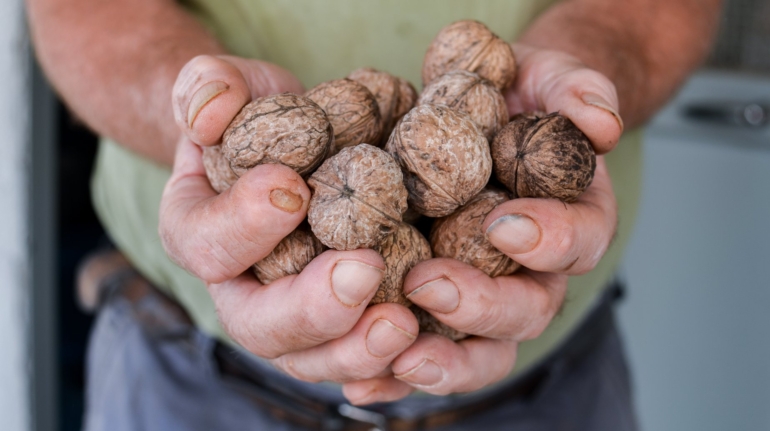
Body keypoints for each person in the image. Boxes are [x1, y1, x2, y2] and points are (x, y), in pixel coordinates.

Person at [27, 0, 723, 429]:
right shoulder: (333, 168)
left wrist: (584, 71)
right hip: (186, 378)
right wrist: (194, 111)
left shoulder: (463, 144)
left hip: (549, 385)